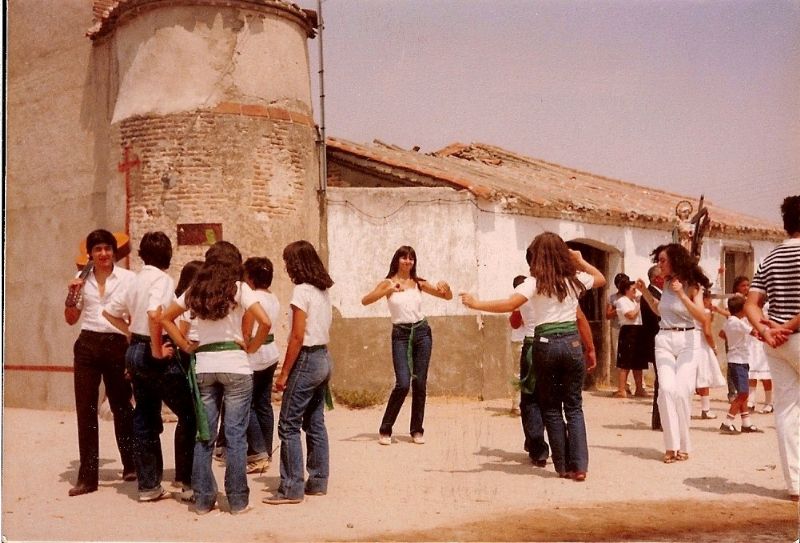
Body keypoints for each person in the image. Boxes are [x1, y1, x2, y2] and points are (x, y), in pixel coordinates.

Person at [461, 233, 605, 481]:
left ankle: (562, 466)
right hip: (571, 342)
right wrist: (580, 260)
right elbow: (601, 278)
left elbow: (509, 305)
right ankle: (580, 466)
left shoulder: (534, 283)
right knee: (574, 407)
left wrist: (476, 304)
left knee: (551, 407)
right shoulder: (574, 280)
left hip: (545, 344)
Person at [161, 241, 271, 515]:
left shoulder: (195, 288)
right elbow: (266, 322)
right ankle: (237, 500)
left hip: (205, 366)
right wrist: (252, 346)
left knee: (204, 435)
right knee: (236, 437)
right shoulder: (239, 288)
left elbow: (165, 318)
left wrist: (184, 345)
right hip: (235, 365)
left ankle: (203, 500)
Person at [102, 231, 197, 502]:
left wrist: (131, 332)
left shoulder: (134, 280)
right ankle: (187, 480)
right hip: (154, 351)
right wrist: (157, 350)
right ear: (168, 255)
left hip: (134, 349)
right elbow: (155, 314)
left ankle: (149, 485)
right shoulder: (163, 280)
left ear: (142, 254)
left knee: (144, 416)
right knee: (188, 413)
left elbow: (109, 312)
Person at [64, 229, 136, 496]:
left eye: (107, 248)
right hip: (88, 344)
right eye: (97, 249)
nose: (103, 254)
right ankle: (87, 477)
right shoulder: (81, 279)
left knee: (122, 405)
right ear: (90, 255)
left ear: (114, 252)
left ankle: (130, 464)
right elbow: (71, 318)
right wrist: (72, 295)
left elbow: (134, 314)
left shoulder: (128, 279)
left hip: (117, 343)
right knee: (85, 409)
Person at [263, 240, 334, 505]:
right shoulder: (322, 291)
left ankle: (292, 487)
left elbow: (297, 336)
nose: (286, 267)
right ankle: (318, 481)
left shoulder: (301, 291)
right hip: (323, 357)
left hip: (306, 358)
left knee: (288, 424)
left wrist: (284, 374)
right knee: (315, 422)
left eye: (288, 262)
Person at [361, 245, 453, 446]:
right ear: (397, 260)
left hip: (422, 333)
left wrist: (446, 288)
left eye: (411, 258)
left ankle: (417, 430)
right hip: (400, 335)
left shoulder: (419, 282)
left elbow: (446, 296)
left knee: (419, 383)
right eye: (404, 257)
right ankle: (385, 429)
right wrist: (388, 290)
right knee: (403, 383)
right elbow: (365, 301)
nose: (408, 261)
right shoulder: (388, 283)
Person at [744, 195, 800, 503]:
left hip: (776, 344)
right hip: (794, 334)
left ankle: (795, 484)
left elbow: (752, 304)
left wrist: (768, 330)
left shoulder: (771, 257)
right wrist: (788, 326)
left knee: (787, 410)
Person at [637, 243, 711, 464]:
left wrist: (682, 295)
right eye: (658, 260)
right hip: (664, 339)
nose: (659, 265)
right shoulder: (666, 284)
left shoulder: (693, 286)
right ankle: (671, 446)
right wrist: (644, 292)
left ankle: (684, 445)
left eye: (663, 260)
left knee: (681, 392)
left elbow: (702, 317)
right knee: (666, 390)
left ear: (675, 261)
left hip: (688, 340)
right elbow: (660, 310)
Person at [242, 257, 280, 474]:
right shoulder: (273, 297)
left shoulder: (252, 299)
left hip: (255, 355)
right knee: (264, 403)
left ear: (250, 277)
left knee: (247, 404)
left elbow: (247, 331)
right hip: (271, 353)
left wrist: (248, 348)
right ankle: (266, 450)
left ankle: (257, 452)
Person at [718, 295, 763, 434]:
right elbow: (755, 332)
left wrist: (733, 340)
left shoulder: (729, 321)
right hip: (739, 361)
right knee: (743, 393)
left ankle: (746, 423)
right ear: (741, 309)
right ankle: (727, 422)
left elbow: (721, 334)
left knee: (742, 392)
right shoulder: (739, 322)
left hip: (734, 359)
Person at [694, 290, 726, 419]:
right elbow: (707, 332)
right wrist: (713, 346)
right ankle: (705, 409)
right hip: (701, 345)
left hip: (689, 343)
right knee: (703, 375)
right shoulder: (705, 312)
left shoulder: (691, 310)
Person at [613, 278, 648, 398]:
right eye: (633, 289)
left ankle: (639, 388)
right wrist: (639, 304)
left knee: (638, 362)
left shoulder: (633, 301)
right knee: (625, 361)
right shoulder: (621, 301)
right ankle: (621, 389)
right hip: (628, 330)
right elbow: (630, 315)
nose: (635, 292)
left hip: (639, 330)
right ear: (626, 290)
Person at [639, 265, 663, 430]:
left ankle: (660, 419)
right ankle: (659, 419)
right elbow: (656, 320)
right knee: (661, 382)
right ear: (656, 279)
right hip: (657, 341)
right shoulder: (650, 295)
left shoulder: (661, 294)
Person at [606, 273, 630, 392]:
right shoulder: (613, 298)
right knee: (619, 356)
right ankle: (624, 385)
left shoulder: (631, 295)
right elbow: (608, 315)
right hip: (617, 328)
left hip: (630, 328)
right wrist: (619, 309)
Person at [509, 275, 527, 415]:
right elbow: (515, 323)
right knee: (518, 373)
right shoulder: (516, 300)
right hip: (520, 340)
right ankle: (517, 404)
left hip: (527, 339)